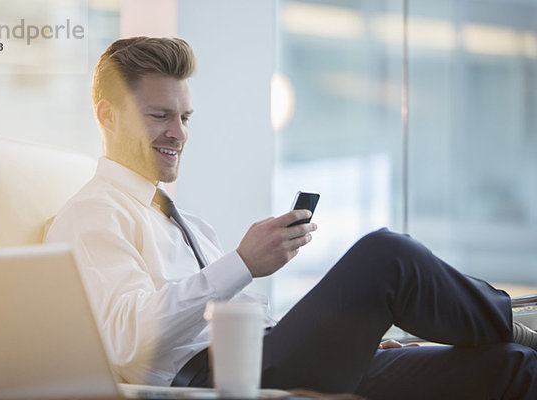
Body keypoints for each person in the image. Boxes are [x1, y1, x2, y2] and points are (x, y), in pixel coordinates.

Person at [45, 36, 537, 399]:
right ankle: (515, 320)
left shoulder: (185, 220)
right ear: (107, 116)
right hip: (222, 376)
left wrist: (355, 337)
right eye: (159, 116)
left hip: (269, 352)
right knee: (386, 255)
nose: (178, 134)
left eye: (185, 118)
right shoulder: (92, 216)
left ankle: (513, 338)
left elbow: (245, 317)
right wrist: (242, 262)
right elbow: (129, 341)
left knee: (511, 367)